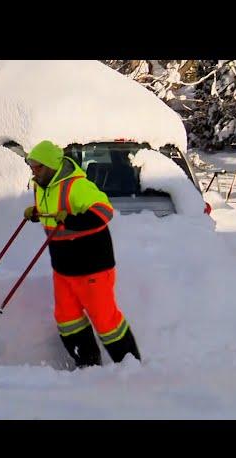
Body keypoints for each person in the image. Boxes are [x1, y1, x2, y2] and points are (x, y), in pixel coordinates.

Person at [23, 140, 141, 368]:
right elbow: (57, 212)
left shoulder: (76, 186)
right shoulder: (42, 186)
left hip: (92, 265)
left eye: (38, 167)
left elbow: (104, 212)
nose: (34, 172)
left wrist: (70, 219)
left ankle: (130, 366)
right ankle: (88, 365)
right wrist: (39, 213)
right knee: (67, 320)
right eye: (32, 167)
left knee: (106, 321)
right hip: (63, 266)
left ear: (50, 166)